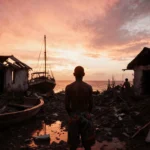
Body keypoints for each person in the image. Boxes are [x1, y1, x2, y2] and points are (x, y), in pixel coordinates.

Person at [65, 66, 95, 150]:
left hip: (74, 116)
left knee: (73, 146)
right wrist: (87, 113)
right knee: (87, 144)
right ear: (84, 74)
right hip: (86, 116)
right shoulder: (88, 87)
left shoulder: (69, 87)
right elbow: (91, 104)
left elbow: (67, 105)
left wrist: (71, 115)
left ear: (74, 74)